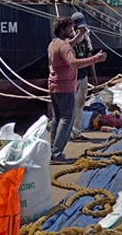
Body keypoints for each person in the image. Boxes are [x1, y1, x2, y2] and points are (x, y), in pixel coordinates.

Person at [48, 16, 106, 164]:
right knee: (67, 119)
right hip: (65, 86)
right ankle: (57, 153)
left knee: (57, 118)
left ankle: (51, 149)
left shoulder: (54, 44)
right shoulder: (64, 47)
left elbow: (67, 45)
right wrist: (95, 59)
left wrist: (80, 35)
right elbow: (73, 63)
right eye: (69, 28)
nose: (72, 30)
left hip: (54, 86)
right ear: (63, 29)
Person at [70, 12, 96, 141]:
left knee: (80, 105)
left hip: (83, 75)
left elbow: (89, 56)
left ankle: (76, 132)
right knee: (70, 106)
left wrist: (94, 75)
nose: (80, 29)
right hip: (71, 77)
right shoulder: (68, 38)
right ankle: (68, 132)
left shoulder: (86, 38)